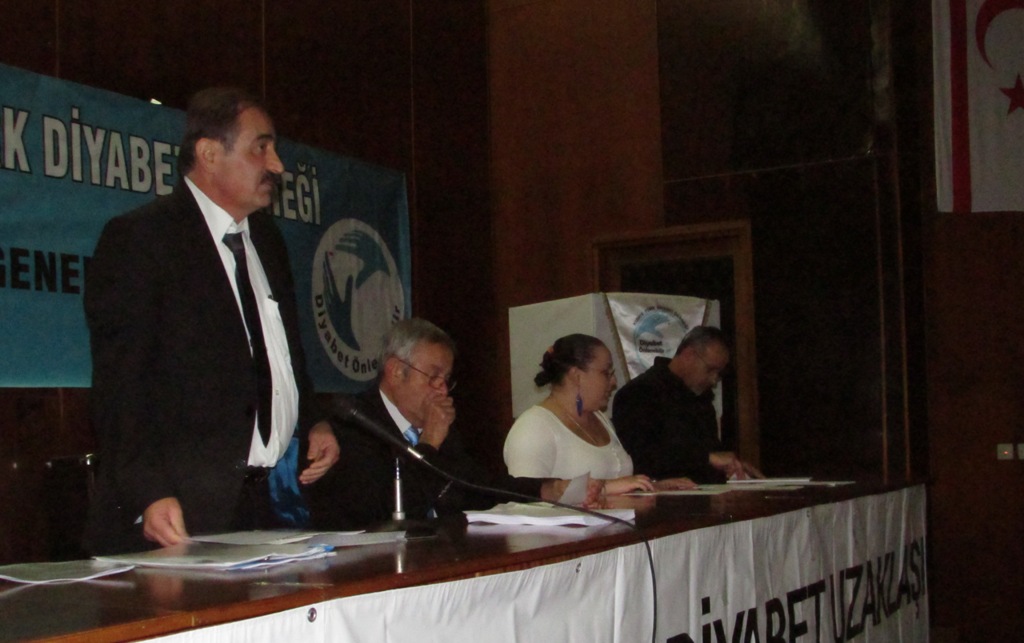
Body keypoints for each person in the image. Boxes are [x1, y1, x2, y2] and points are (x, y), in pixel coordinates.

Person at [84, 87, 340, 554]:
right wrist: (149, 491)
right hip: (182, 510)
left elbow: (284, 355)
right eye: (260, 148)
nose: (277, 165)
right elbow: (121, 387)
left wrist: (313, 421)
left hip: (270, 502)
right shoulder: (141, 239)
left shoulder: (268, 241)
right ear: (208, 154)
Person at [307, 318, 597, 530]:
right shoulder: (350, 425)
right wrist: (429, 443)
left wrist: (547, 490)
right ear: (395, 371)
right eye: (433, 376)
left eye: (446, 380)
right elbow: (388, 513)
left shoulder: (437, 424)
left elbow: (475, 485)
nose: (443, 390)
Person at [503, 334, 695, 493]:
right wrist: (606, 487)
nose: (613, 382)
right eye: (606, 373)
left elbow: (618, 483)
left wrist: (650, 486)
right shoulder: (533, 428)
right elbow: (524, 500)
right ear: (576, 376)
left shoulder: (600, 419)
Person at [612, 325, 762, 484]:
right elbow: (642, 458)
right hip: (664, 495)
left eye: (718, 373)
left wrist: (733, 467)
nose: (713, 380)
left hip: (706, 492)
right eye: (710, 370)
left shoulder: (701, 399)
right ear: (689, 355)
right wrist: (706, 458)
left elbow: (713, 453)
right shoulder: (638, 393)